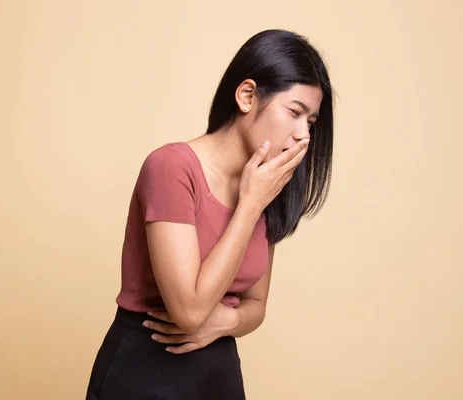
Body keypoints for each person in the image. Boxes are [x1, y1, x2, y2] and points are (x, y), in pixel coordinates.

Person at [85, 28, 334, 400]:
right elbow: (188, 311)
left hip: (219, 374)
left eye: (310, 123)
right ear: (247, 96)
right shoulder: (171, 167)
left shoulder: (269, 184)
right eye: (295, 113)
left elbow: (255, 305)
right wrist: (249, 206)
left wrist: (226, 321)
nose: (303, 136)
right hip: (148, 369)